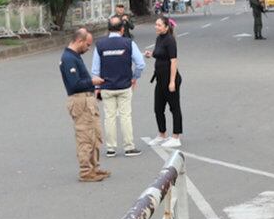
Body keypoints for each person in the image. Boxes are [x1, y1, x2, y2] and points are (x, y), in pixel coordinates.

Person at [60, 27, 109, 183]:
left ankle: (94, 167)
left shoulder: (74, 56)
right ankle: (85, 171)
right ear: (79, 41)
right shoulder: (68, 58)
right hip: (80, 100)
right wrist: (92, 81)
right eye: (87, 45)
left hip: (88, 99)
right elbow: (75, 84)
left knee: (95, 135)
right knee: (85, 137)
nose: (88, 48)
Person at [92, 17, 144, 158]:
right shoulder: (129, 43)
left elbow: (95, 70)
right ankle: (129, 147)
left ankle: (111, 148)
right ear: (122, 29)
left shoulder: (100, 45)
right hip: (124, 85)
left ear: (108, 29)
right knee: (125, 116)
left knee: (109, 117)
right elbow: (140, 64)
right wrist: (134, 77)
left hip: (106, 86)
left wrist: (97, 87)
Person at [147, 16, 183, 148]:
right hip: (160, 79)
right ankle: (162, 134)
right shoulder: (159, 38)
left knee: (174, 108)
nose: (156, 27)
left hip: (170, 79)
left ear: (166, 27)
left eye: (159, 25)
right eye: (155, 24)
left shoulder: (170, 40)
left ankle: (176, 136)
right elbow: (161, 54)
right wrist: (151, 54)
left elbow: (173, 61)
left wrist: (172, 82)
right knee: (158, 108)